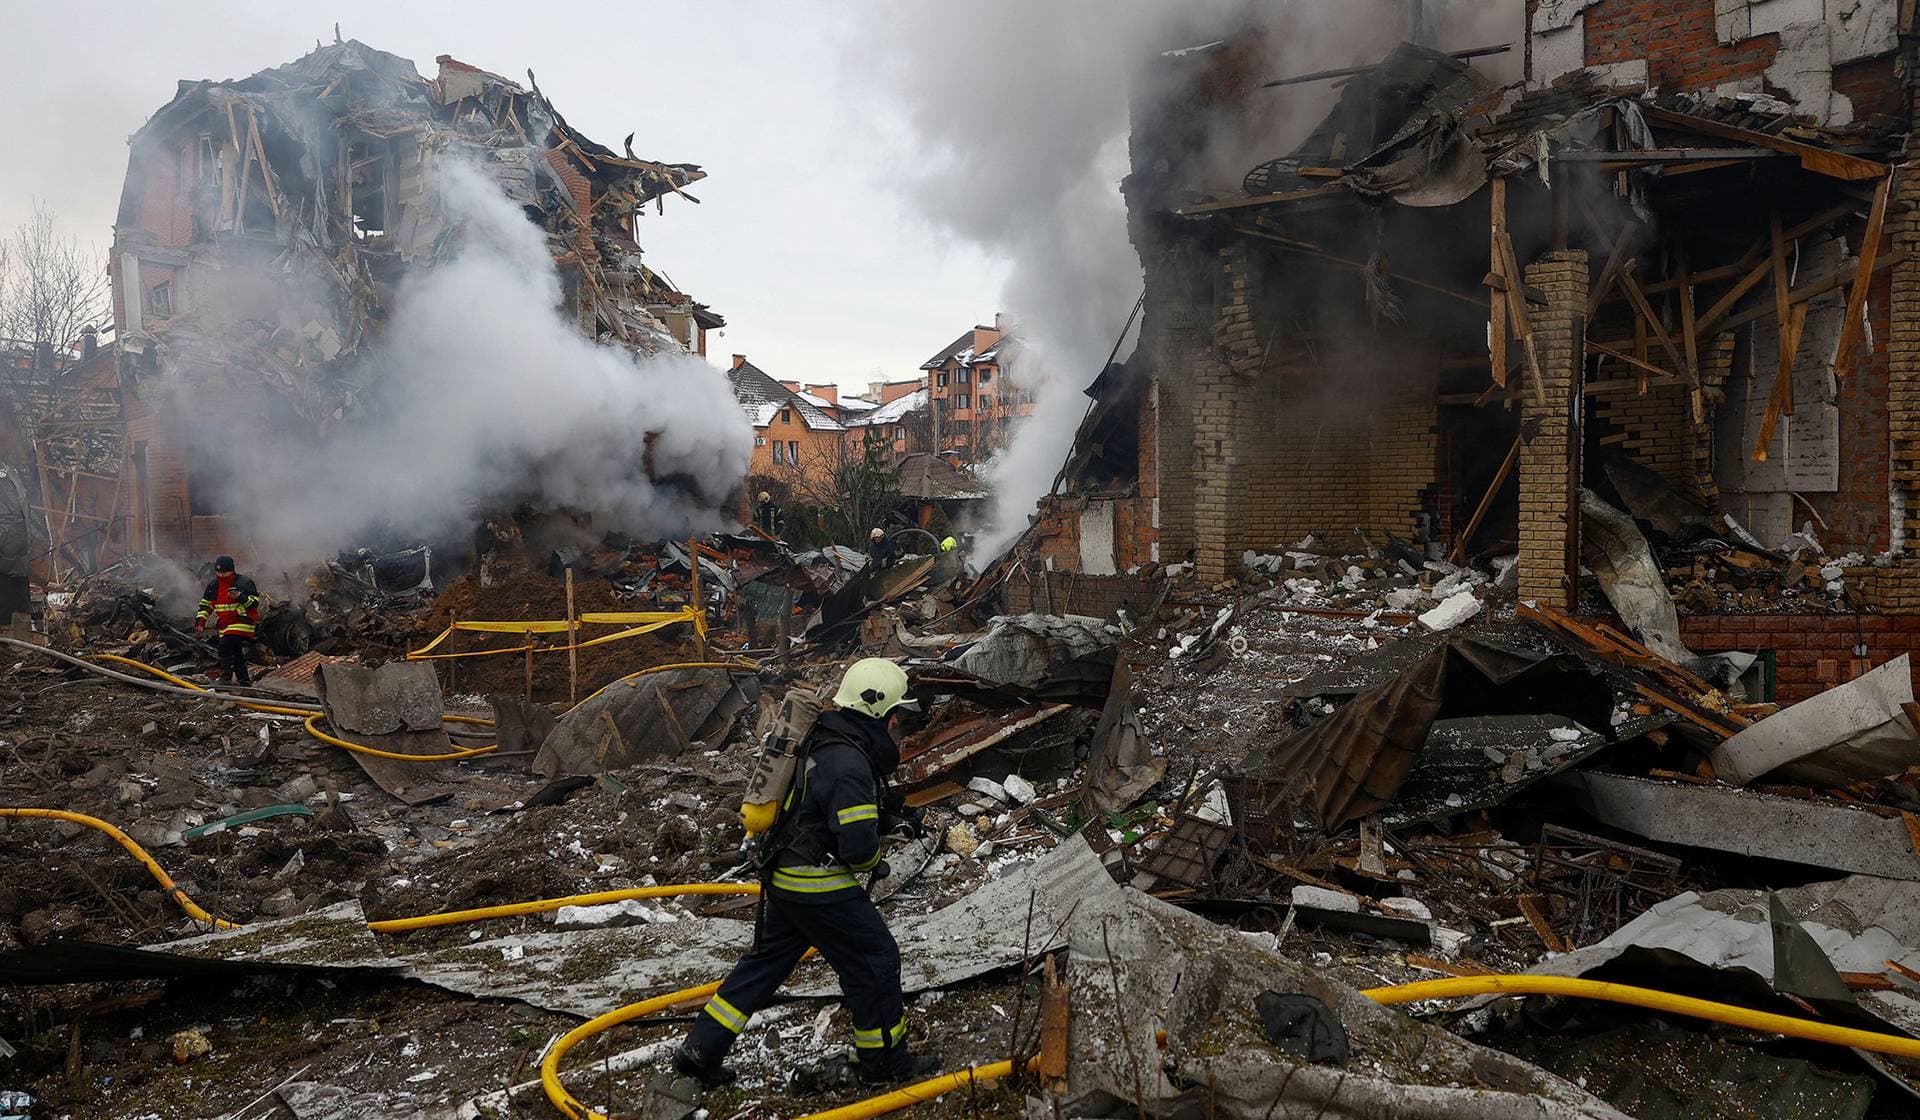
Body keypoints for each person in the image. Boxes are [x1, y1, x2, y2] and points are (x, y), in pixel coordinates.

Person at [675, 658, 939, 1089]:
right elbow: (856, 847)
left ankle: (700, 1049)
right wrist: (875, 861)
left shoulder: (823, 738)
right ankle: (884, 1064)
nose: (898, 729)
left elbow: (817, 810)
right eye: (899, 719)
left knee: (765, 964)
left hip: (783, 878)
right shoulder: (849, 761)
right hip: (818, 887)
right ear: (882, 714)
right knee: (875, 961)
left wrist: (886, 818)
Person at [195, 556, 262, 686]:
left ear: (232, 570)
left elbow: (254, 603)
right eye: (218, 572)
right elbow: (206, 605)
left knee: (225, 645)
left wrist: (240, 597)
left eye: (224, 572)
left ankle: (226, 676)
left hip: (243, 621)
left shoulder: (244, 582)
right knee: (235, 652)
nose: (221, 575)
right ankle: (244, 680)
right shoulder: (213, 586)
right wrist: (200, 620)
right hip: (225, 624)